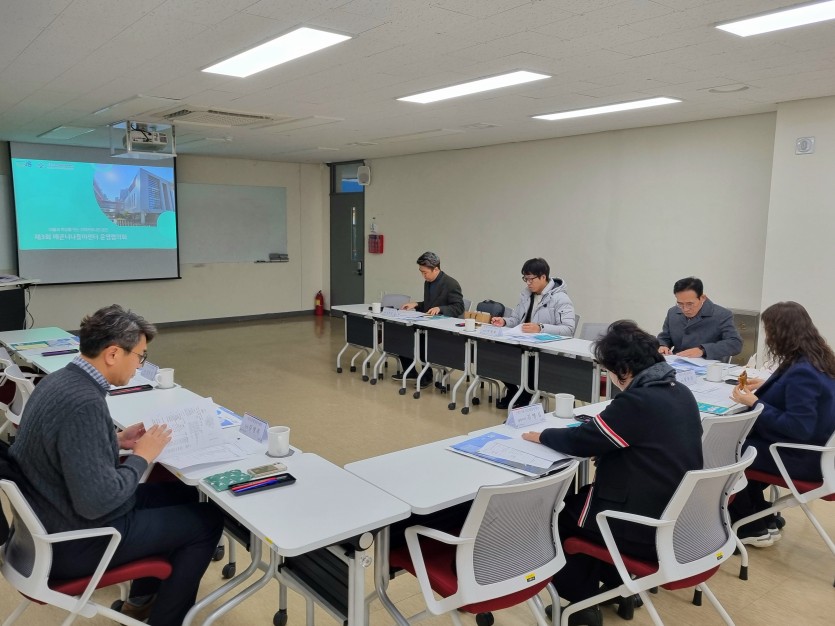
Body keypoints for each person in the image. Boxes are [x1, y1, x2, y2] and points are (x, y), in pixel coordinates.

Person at [10, 305, 224, 626]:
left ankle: (141, 601)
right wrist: (142, 456)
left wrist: (116, 440)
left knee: (182, 494)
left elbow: (64, 447)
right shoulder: (85, 403)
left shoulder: (58, 382)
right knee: (206, 521)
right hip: (75, 541)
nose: (140, 365)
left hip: (48, 520)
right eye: (140, 356)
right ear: (112, 354)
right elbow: (98, 502)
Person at [522, 321, 702, 625]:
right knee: (582, 502)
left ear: (624, 370)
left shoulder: (638, 401)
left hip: (643, 524)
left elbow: (581, 442)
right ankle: (619, 588)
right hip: (675, 514)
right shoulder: (680, 392)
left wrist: (543, 436)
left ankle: (582, 603)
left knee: (557, 517)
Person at [729, 301, 835, 547]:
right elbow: (795, 393)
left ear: (781, 333)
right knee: (744, 444)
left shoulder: (802, 372)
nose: (768, 338)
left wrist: (755, 402)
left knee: (729, 452)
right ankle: (761, 513)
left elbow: (798, 427)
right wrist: (766, 385)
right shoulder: (817, 360)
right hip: (819, 454)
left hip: (801, 458)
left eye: (769, 331)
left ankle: (750, 525)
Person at [491, 258, 576, 409]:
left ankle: (525, 398)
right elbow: (516, 319)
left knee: (526, 359)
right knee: (496, 353)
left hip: (544, 350)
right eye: (525, 279)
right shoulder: (526, 295)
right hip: (523, 343)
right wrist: (503, 321)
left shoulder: (560, 298)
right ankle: (513, 391)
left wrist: (540, 328)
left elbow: (568, 329)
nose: (528, 283)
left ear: (543, 277)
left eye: (531, 279)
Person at [396, 251, 465, 383]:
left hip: (442, 328)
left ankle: (427, 377)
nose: (423, 276)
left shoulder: (451, 284)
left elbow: (459, 307)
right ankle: (410, 371)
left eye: (425, 272)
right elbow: (429, 306)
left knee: (422, 340)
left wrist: (440, 309)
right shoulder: (428, 282)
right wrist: (416, 304)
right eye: (421, 272)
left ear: (436, 269)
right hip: (428, 324)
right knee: (402, 335)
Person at [657, 276, 742, 361]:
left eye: (690, 304)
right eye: (680, 304)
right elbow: (665, 337)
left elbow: (735, 343)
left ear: (702, 298)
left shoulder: (721, 315)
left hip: (707, 364)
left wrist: (703, 350)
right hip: (677, 363)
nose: (685, 309)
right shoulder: (673, 312)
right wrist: (662, 345)